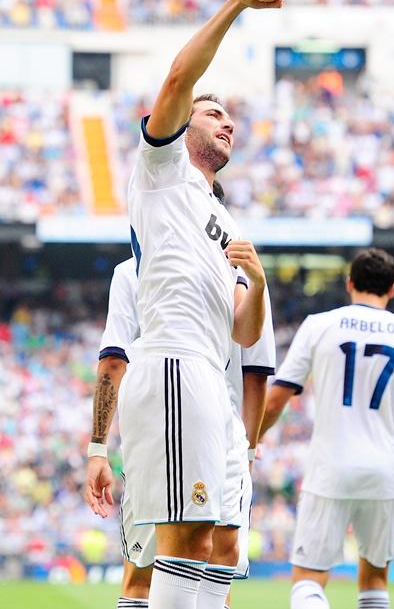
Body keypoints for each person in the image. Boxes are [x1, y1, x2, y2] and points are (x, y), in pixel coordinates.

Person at [86, 0, 284, 608]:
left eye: (230, 115)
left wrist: (256, 284)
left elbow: (245, 333)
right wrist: (235, 6)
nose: (227, 121)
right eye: (212, 111)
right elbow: (177, 78)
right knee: (179, 540)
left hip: (212, 381)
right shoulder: (161, 171)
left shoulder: (220, 221)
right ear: (180, 125)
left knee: (220, 543)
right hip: (172, 365)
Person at [260, 248, 394, 609]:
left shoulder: (319, 325)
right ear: (392, 290)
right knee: (375, 581)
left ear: (349, 283)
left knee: (308, 580)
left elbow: (275, 400)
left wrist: (250, 445)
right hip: (384, 473)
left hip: (330, 467)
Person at [85, 255, 276, 608]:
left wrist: (98, 448)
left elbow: (113, 360)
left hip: (157, 425)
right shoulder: (243, 275)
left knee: (142, 573)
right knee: (218, 563)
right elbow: (257, 372)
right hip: (224, 433)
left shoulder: (132, 270)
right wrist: (247, 450)